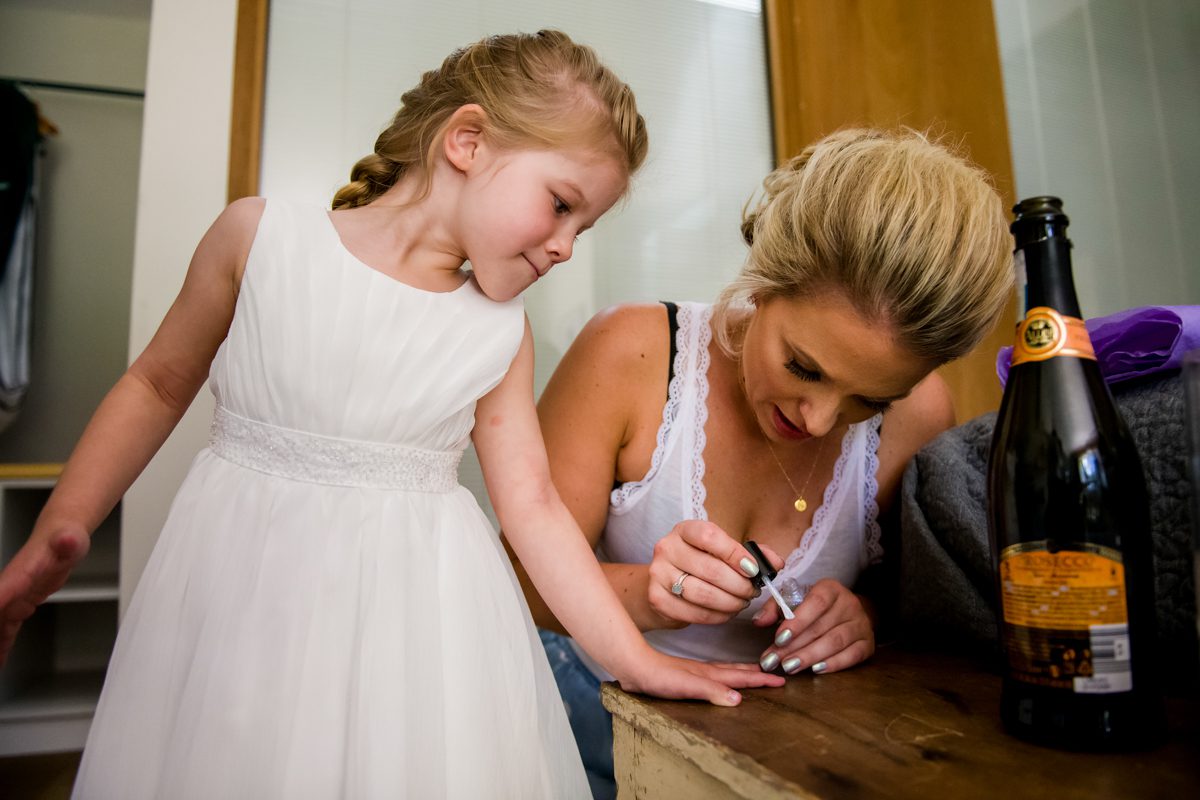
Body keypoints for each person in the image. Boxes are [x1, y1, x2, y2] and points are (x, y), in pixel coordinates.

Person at [0, 30, 783, 799]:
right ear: (468, 142)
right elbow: (156, 386)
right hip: (239, 596)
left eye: (584, 227)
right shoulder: (259, 238)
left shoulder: (497, 334)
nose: (566, 247)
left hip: (410, 636)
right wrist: (62, 525)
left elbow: (537, 511)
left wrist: (635, 660)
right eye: (560, 205)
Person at [509, 128, 1014, 797]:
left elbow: (920, 600)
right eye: (802, 366)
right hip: (581, 724)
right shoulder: (628, 354)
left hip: (790, 755)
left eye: (871, 398)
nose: (820, 420)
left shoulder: (920, 416)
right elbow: (517, 584)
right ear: (764, 279)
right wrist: (648, 595)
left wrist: (864, 617)